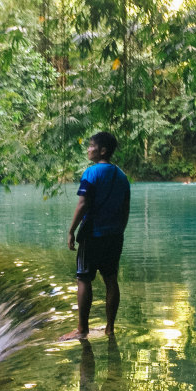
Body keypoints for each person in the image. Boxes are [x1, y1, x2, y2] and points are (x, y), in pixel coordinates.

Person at [63, 131, 130, 340]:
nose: (88, 149)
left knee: (83, 278)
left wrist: (71, 230)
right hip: (115, 235)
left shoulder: (91, 173)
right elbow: (125, 209)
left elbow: (83, 204)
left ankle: (82, 329)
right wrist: (119, 230)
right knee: (111, 279)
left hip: (92, 234)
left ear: (102, 150)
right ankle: (110, 328)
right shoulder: (122, 176)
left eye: (91, 145)